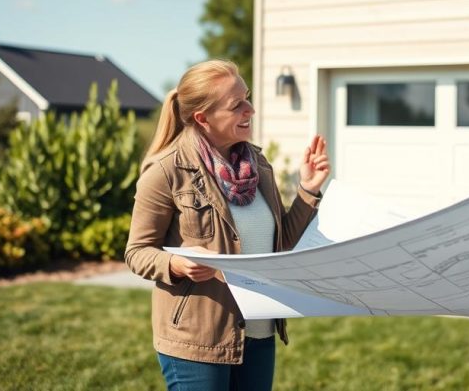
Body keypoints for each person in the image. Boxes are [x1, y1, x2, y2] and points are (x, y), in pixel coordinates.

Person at [125, 59, 330, 391]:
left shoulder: (258, 165)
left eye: (247, 97)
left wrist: (308, 188)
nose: (250, 109)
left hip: (259, 332)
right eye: (237, 105)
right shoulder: (165, 172)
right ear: (203, 118)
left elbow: (280, 244)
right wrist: (175, 263)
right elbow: (136, 252)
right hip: (197, 340)